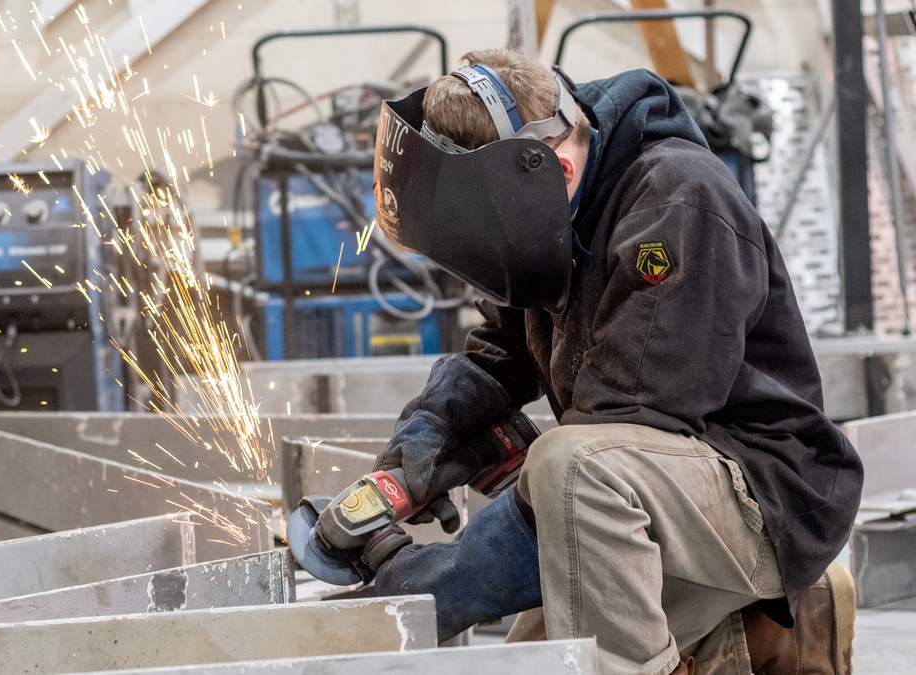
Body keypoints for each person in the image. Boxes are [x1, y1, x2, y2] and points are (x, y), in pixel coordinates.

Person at [368, 48, 862, 675]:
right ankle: (759, 634)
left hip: (765, 493)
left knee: (570, 467)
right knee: (540, 665)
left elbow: (626, 424)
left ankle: (759, 600)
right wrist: (433, 431)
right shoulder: (548, 213)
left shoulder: (678, 203)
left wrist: (449, 580)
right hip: (656, 489)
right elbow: (502, 350)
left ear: (558, 172)